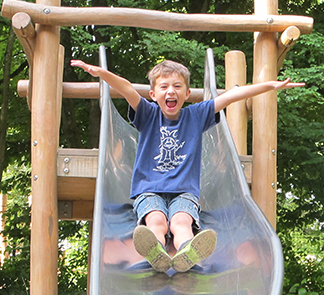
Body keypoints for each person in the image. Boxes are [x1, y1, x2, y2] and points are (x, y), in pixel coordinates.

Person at [71, 58, 304, 272]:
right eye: (163, 87)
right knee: (156, 220)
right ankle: (156, 252)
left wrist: (270, 86)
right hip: (149, 189)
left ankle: (188, 254)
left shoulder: (196, 114)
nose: (170, 91)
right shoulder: (148, 114)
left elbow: (232, 96)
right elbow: (126, 89)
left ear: (187, 92)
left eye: (177, 86)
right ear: (153, 93)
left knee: (182, 222)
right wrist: (101, 72)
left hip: (185, 192)